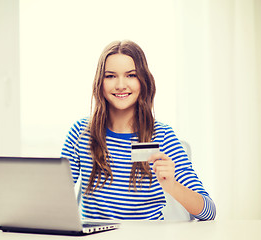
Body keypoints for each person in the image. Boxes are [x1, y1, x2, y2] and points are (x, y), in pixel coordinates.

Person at [61, 40, 216, 221]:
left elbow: (209, 212)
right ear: (99, 82)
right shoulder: (81, 133)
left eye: (131, 75)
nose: (120, 85)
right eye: (110, 76)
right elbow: (53, 197)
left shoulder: (162, 135)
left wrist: (172, 185)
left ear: (143, 81)